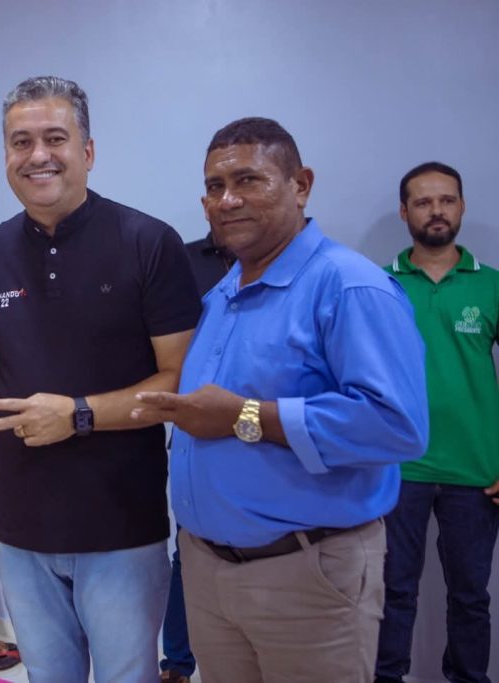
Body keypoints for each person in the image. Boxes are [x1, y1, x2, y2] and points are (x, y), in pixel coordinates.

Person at [134, 117, 430, 682]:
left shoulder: (348, 285)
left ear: (301, 185)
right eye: (215, 186)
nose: (227, 200)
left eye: (248, 180)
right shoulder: (223, 295)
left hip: (305, 576)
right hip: (208, 572)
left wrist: (244, 417)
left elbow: (396, 425)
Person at [0, 75, 201, 683]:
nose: (37, 155)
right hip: (21, 531)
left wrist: (78, 413)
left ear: (87, 151)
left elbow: (179, 382)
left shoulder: (149, 243)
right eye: (21, 142)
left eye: (55, 138)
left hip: (122, 529)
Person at [375, 162, 499, 683]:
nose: (437, 211)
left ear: (462, 206)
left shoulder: (491, 285)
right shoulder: (378, 284)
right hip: (399, 469)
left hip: (477, 472)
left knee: (470, 597)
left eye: (447, 200)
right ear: (405, 212)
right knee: (393, 592)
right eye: (423, 202)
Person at [161, 230, 235, 683]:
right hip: (195, 437)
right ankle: (177, 664)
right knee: (188, 551)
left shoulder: (303, 269)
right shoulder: (182, 262)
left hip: (265, 440)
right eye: (215, 194)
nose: (230, 201)